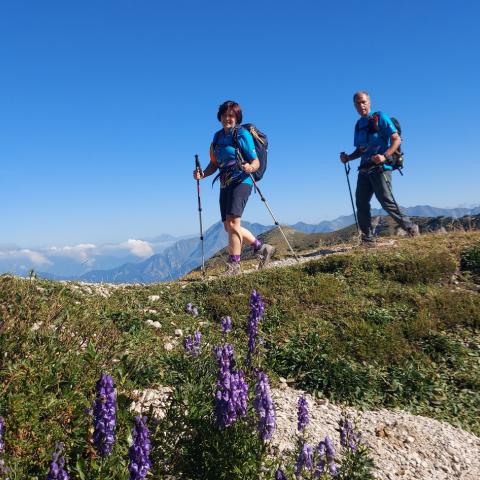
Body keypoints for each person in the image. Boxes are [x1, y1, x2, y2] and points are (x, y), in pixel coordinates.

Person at [193, 100, 275, 274]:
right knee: (228, 226)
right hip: (225, 182)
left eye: (231, 115)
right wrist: (202, 174)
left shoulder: (242, 134)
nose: (227, 118)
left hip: (242, 180)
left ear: (237, 117)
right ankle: (262, 249)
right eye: (224, 115)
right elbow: (214, 164)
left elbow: (256, 162)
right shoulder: (217, 137)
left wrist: (250, 168)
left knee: (233, 222)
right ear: (220, 117)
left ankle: (234, 266)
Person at [340, 91, 419, 244]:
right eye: (357, 103)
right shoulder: (358, 125)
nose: (361, 105)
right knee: (361, 203)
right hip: (364, 169)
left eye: (363, 102)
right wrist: (348, 157)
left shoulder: (380, 117)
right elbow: (360, 149)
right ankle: (367, 239)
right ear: (354, 105)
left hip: (380, 168)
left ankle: (411, 228)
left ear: (369, 102)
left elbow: (396, 140)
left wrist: (385, 156)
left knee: (386, 201)